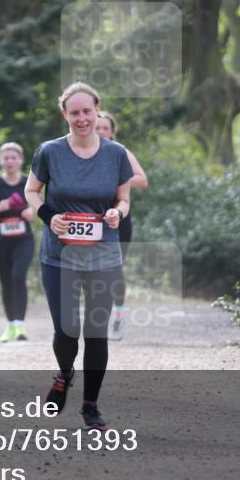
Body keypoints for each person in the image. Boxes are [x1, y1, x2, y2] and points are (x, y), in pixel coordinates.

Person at [25, 82, 133, 430]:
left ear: (97, 110)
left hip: (103, 255)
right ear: (65, 115)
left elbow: (124, 200)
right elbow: (31, 190)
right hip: (59, 256)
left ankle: (91, 407)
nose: (82, 118)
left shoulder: (116, 153)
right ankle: (64, 372)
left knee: (96, 332)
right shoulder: (49, 152)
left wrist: (118, 213)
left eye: (88, 111)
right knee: (67, 333)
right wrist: (48, 216)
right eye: (75, 113)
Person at [95, 111, 148, 341]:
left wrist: (117, 178)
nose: (100, 131)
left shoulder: (121, 152)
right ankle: (95, 319)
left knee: (114, 269)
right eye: (97, 127)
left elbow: (142, 181)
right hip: (90, 219)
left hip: (119, 218)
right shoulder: (81, 151)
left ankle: (117, 316)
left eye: (104, 127)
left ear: (112, 131)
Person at [0, 142, 35, 342]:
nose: (10, 161)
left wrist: (32, 210)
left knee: (18, 276)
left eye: (13, 157)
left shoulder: (28, 183)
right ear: (1, 160)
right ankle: (10, 325)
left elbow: (40, 205)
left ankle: (20, 326)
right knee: (6, 281)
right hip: (1, 241)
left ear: (20, 160)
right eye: (6, 158)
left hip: (23, 240)